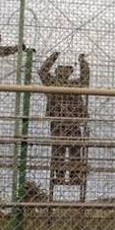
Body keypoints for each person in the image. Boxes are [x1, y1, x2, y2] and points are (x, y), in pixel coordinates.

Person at [39, 51, 90, 185]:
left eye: (68, 69)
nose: (66, 71)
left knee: (75, 149)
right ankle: (60, 175)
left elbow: (85, 78)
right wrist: (53, 56)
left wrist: (82, 62)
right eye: (63, 68)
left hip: (73, 121)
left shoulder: (74, 84)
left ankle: (74, 175)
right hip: (58, 121)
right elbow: (42, 72)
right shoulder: (51, 82)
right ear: (57, 71)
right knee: (58, 150)